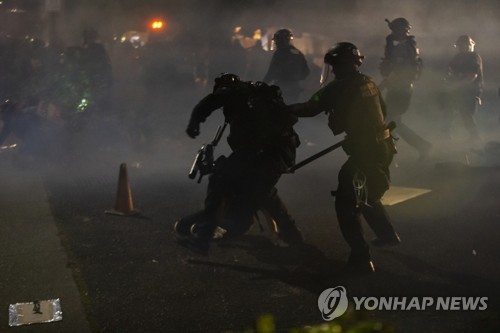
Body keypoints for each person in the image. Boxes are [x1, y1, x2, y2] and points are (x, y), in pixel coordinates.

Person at [288, 43, 400, 274]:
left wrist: (282, 109)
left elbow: (310, 108)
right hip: (383, 146)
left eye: (334, 65)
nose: (333, 70)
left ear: (341, 65)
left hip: (366, 150)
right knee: (364, 188)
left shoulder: (338, 87)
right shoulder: (368, 81)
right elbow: (384, 110)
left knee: (346, 201)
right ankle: (387, 234)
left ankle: (361, 257)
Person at [175, 73, 303, 255]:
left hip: (261, 153)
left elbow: (208, 103)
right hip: (282, 154)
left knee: (220, 178)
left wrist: (194, 122)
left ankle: (203, 237)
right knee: (263, 192)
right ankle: (293, 237)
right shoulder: (259, 96)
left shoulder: (233, 91)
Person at [379, 18, 431, 161]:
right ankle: (420, 146)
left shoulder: (405, 48)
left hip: (400, 89)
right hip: (398, 88)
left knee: (391, 121)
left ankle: (390, 153)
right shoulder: (406, 46)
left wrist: (381, 86)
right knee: (394, 122)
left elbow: (399, 71)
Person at [441, 35, 483, 143]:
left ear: (469, 45)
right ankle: (446, 137)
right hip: (456, 91)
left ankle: (475, 139)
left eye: (462, 45)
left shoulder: (474, 57)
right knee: (449, 114)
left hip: (469, 92)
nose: (460, 48)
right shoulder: (457, 57)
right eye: (459, 45)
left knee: (467, 116)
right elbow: (449, 71)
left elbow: (472, 76)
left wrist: (457, 85)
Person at [263, 29, 310, 103]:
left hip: (282, 89)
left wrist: (263, 84)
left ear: (281, 41)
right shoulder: (297, 52)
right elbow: (306, 72)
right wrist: (296, 79)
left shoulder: (280, 53)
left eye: (276, 41)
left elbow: (272, 71)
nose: (275, 43)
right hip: (295, 89)